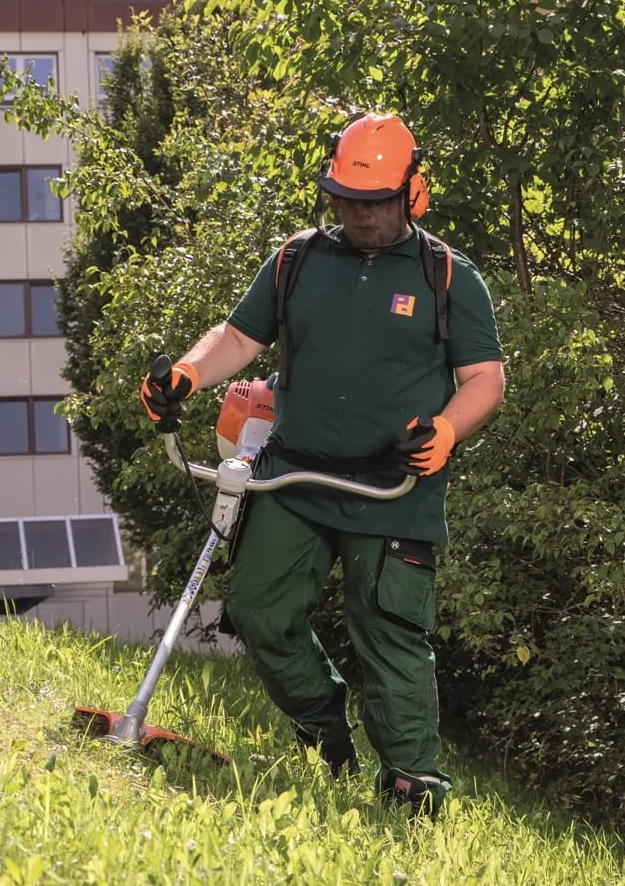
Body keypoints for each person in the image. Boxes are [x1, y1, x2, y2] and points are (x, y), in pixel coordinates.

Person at [139, 113, 505, 815]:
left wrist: (448, 430)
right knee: (257, 606)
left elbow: (486, 376)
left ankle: (410, 785)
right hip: (294, 475)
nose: (361, 216)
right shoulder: (297, 259)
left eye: (375, 202)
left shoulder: (449, 275)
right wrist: (187, 372)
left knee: (390, 631)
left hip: (396, 484)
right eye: (347, 199)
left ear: (412, 192)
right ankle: (323, 727)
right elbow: (240, 337)